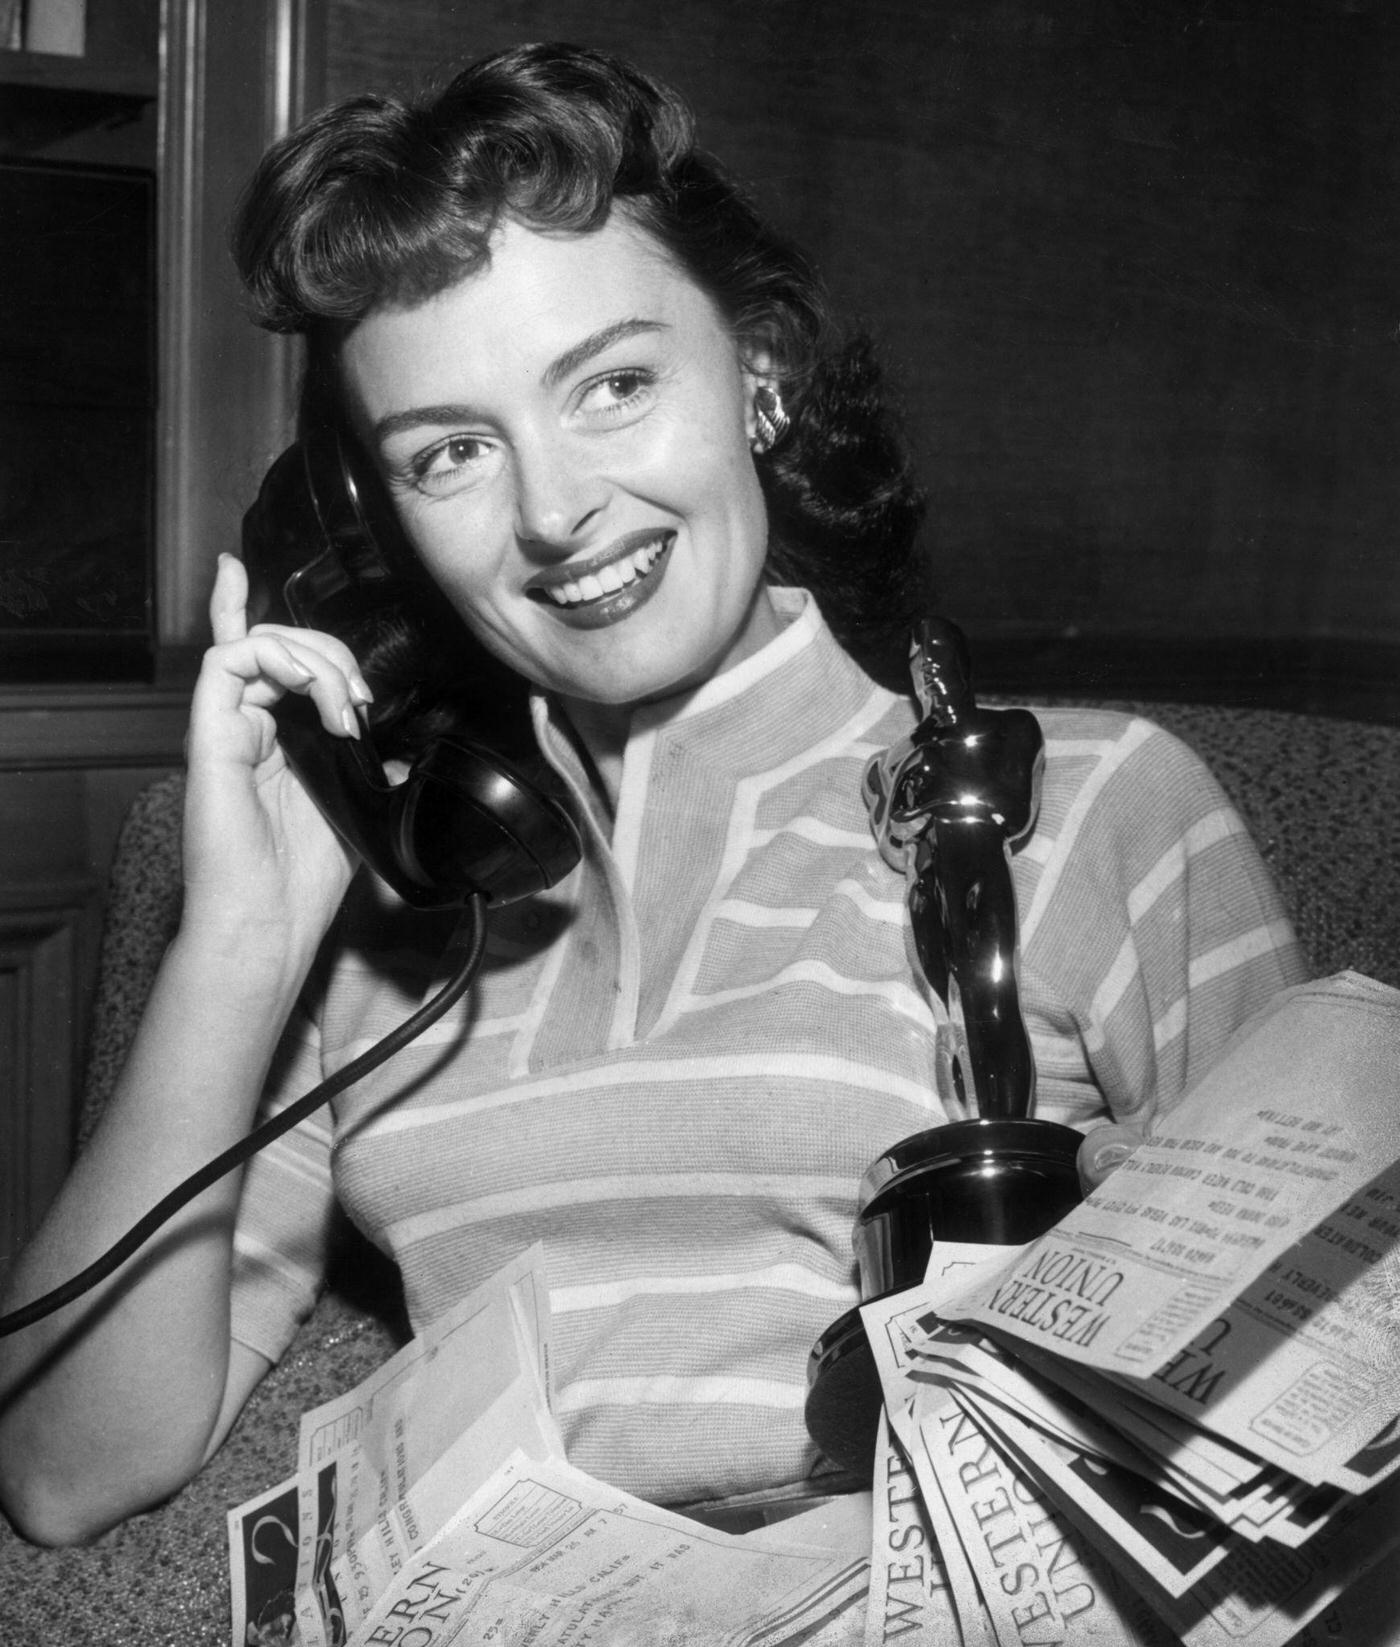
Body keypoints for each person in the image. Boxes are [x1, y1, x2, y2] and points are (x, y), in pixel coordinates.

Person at [0, 42, 1305, 1547]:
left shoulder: (1088, 807)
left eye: (614, 385)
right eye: (452, 454)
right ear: (375, 528)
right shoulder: (391, 925)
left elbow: (1319, 1395)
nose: (557, 512)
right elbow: (62, 1470)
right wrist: (246, 936)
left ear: (758, 376)